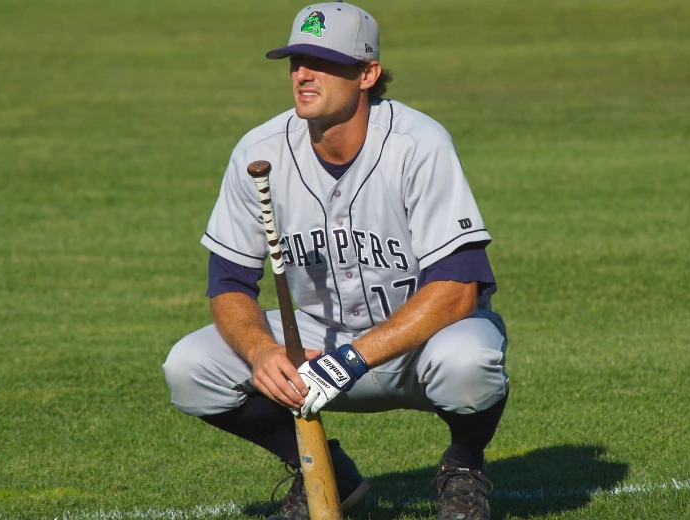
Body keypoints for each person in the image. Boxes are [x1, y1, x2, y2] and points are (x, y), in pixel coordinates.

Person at [162, 2, 509, 519]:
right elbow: (228, 281)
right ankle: (321, 469)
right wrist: (260, 351)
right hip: (312, 342)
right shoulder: (259, 151)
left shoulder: (418, 145)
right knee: (189, 368)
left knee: (470, 361)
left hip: (416, 344)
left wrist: (353, 359)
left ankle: (463, 469)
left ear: (368, 73)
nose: (303, 74)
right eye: (296, 60)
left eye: (323, 62)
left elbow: (459, 287)